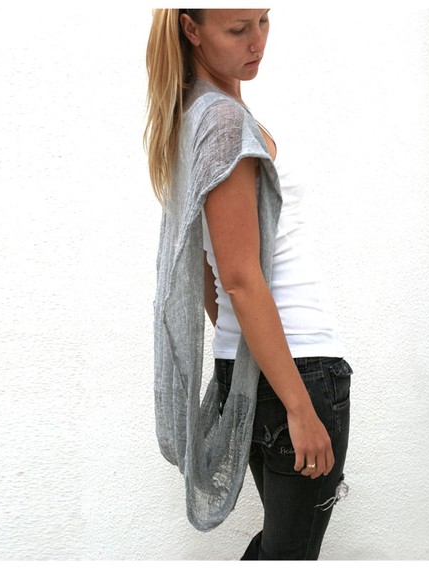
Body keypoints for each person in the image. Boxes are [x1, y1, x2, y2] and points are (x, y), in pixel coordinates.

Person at [145, 9, 353, 560]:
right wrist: (299, 406)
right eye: (238, 29)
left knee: (282, 550)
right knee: (290, 555)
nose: (257, 41)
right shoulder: (223, 122)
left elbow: (208, 269)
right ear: (191, 30)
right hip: (299, 369)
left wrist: (244, 345)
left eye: (263, 21)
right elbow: (237, 278)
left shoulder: (197, 116)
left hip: (254, 367)